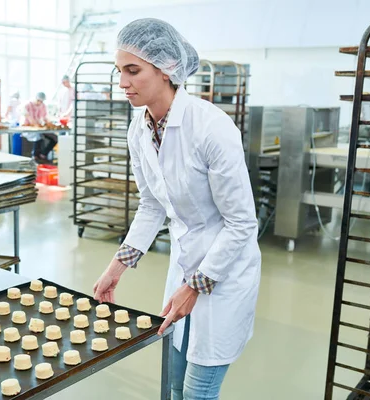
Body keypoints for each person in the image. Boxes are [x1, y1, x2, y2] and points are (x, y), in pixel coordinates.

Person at [92, 18, 261, 400]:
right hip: (183, 269)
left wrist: (197, 286)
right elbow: (152, 204)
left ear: (166, 69)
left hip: (224, 274)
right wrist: (116, 268)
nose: (122, 83)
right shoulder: (139, 129)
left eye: (133, 71)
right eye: (119, 71)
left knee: (197, 393)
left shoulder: (211, 128)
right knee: (172, 385)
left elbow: (241, 223)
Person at [23, 92, 57, 163]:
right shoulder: (27, 105)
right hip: (29, 128)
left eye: (41, 101)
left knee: (54, 138)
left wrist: (50, 124)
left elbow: (45, 117)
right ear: (35, 98)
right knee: (38, 136)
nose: (39, 102)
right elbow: (29, 118)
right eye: (38, 100)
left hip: (39, 128)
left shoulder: (43, 106)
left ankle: (43, 154)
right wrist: (36, 125)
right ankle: (35, 157)